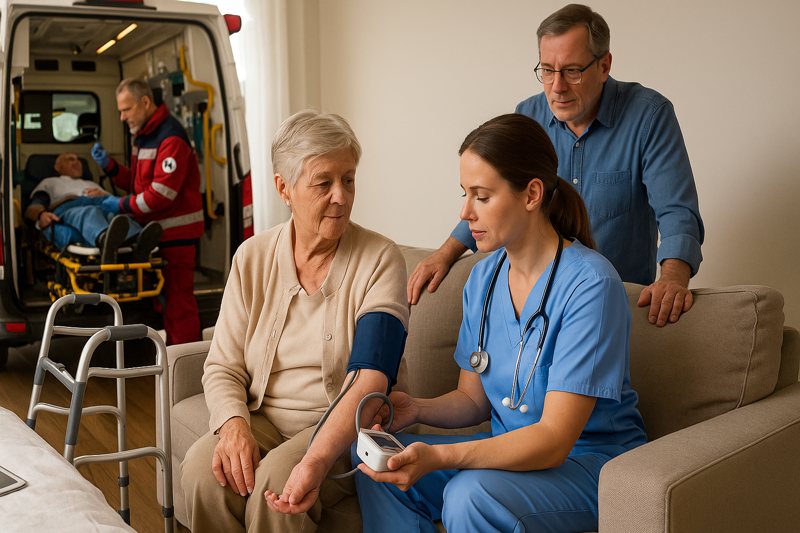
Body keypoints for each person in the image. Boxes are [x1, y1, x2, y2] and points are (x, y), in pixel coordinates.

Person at [353, 113, 647, 532]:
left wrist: (442, 457)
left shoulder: (591, 286)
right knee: (374, 459)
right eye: (464, 193)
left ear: (531, 194)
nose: (465, 212)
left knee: (469, 495)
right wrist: (417, 409)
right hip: (505, 456)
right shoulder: (483, 278)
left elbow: (553, 439)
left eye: (481, 196)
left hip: (587, 465)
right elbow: (473, 400)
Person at [180, 111, 410, 532]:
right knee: (201, 470)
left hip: (344, 425)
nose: (340, 196)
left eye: (349, 179)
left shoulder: (381, 259)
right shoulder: (252, 258)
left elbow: (371, 381)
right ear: (283, 187)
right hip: (265, 416)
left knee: (277, 483)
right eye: (324, 183)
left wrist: (315, 458)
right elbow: (223, 365)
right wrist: (233, 425)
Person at [408, 3, 704, 328]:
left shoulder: (649, 117)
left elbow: (677, 211)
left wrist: (673, 277)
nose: (557, 87)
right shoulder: (528, 116)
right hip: (536, 302)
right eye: (547, 70)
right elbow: (494, 194)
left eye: (572, 71)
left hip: (610, 305)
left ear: (604, 65)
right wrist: (446, 252)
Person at [91, 78, 204, 345]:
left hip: (176, 234)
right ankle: (168, 359)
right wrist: (110, 167)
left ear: (144, 102)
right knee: (163, 303)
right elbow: (137, 184)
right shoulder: (144, 136)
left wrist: (119, 205)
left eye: (126, 109)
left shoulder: (170, 137)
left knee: (179, 304)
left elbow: (161, 195)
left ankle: (185, 364)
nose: (122, 117)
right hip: (155, 233)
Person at [25, 152, 162, 263]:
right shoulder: (50, 182)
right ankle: (104, 239)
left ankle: (139, 241)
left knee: (117, 218)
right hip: (70, 207)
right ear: (58, 167)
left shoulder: (91, 183)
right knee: (89, 212)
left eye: (78, 159)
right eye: (70, 159)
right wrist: (41, 215)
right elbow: (34, 206)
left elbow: (113, 204)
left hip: (103, 204)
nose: (77, 162)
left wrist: (105, 194)